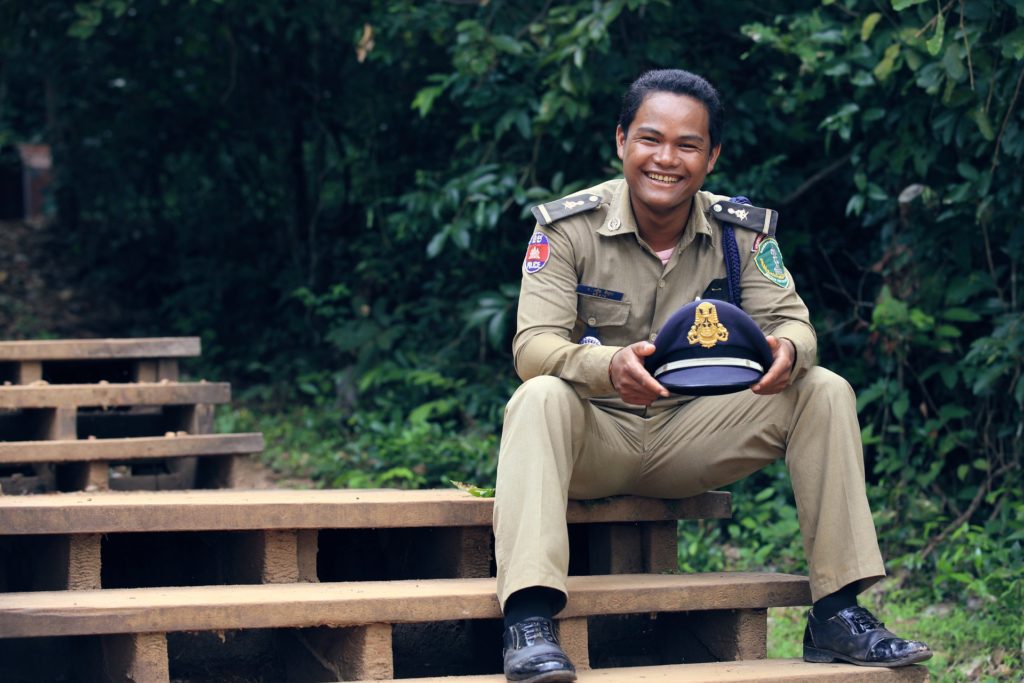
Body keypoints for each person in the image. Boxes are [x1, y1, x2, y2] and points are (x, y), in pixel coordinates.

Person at [494, 69, 932, 682]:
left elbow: (797, 324)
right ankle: (530, 619)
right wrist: (606, 365)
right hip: (594, 436)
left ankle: (837, 612)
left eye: (688, 145)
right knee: (538, 395)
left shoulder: (740, 233)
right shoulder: (569, 228)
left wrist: (787, 349)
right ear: (622, 140)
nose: (666, 159)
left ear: (712, 156)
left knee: (825, 388)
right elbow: (532, 346)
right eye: (650, 139)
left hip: (691, 434)